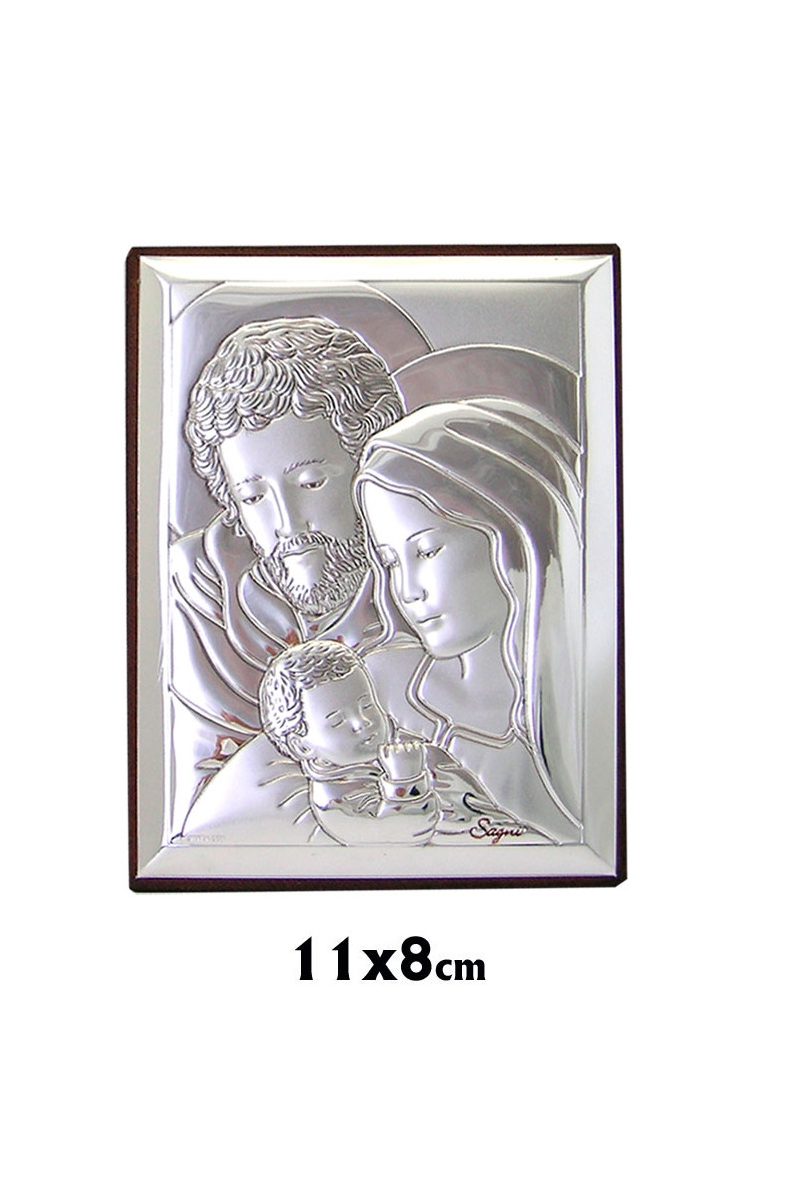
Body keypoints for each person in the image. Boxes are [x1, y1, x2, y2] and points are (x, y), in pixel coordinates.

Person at [168, 315, 421, 838]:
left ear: (368, 467)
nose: (288, 525)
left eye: (310, 482)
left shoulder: (429, 576)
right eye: (253, 497)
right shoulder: (203, 588)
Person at [355, 397, 584, 842]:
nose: (408, 590)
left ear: (511, 536)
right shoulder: (372, 692)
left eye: (427, 551)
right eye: (391, 561)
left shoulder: (576, 716)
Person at [257, 640, 532, 846]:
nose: (362, 722)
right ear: (302, 746)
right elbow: (398, 837)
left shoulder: (408, 747)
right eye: (338, 721)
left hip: (500, 834)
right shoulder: (336, 802)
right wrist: (405, 780)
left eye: (367, 705)